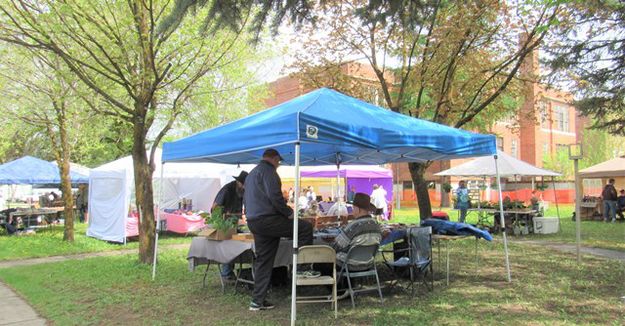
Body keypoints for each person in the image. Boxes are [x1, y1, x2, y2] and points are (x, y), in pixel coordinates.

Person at [244, 148, 313, 311]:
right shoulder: (269, 172)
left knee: (264, 260)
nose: (278, 164)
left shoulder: (252, 174)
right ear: (274, 159)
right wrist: (289, 213)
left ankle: (257, 301)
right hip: (268, 219)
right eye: (278, 162)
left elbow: (247, 199)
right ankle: (303, 268)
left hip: (254, 221)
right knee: (305, 227)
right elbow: (275, 197)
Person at [212, 170, 248, 281]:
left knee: (242, 241)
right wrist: (222, 218)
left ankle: (230, 271)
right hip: (223, 224)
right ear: (238, 182)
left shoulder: (242, 191)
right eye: (244, 185)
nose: (246, 187)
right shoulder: (227, 190)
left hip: (234, 224)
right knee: (228, 245)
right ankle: (226, 273)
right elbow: (215, 208)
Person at [332, 193, 382, 271]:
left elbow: (336, 247)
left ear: (357, 209)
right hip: (368, 263)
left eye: (353, 208)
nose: (352, 210)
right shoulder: (376, 224)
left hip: (349, 265)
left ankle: (336, 283)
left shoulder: (354, 226)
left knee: (321, 263)